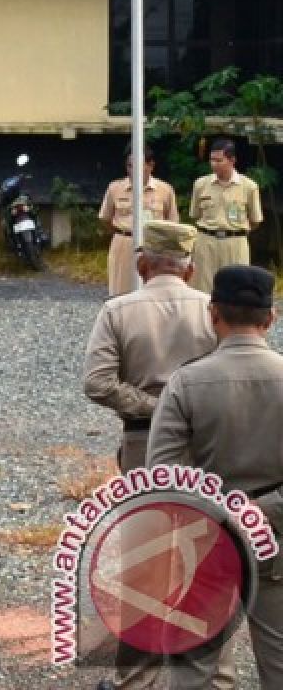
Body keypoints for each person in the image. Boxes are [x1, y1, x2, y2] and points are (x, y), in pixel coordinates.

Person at [81, 220, 235, 690]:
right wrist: (186, 411)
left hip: (142, 444)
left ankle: (136, 679)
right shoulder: (212, 311)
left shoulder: (118, 311)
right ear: (189, 269)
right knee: (209, 559)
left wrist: (157, 407)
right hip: (206, 448)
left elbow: (98, 382)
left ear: (143, 263)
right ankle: (212, 677)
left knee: (145, 566)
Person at [148, 264, 283, 689]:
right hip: (277, 534)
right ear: (271, 317)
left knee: (194, 666)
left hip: (204, 537)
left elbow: (162, 476)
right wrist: (263, 510)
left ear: (212, 313)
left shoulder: (187, 382)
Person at [97, 145, 179, 296]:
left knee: (153, 290)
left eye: (138, 166)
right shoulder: (115, 188)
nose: (133, 170)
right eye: (129, 166)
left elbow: (172, 223)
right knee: (120, 291)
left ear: (151, 165)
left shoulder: (165, 190)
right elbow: (106, 218)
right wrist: (123, 233)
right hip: (124, 241)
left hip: (154, 245)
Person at [189, 138, 262, 293]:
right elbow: (195, 215)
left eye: (219, 160)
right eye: (211, 160)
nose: (214, 164)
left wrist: (236, 230)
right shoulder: (200, 184)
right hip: (206, 242)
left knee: (237, 289)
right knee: (203, 289)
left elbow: (255, 220)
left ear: (232, 160)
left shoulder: (249, 186)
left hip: (235, 242)